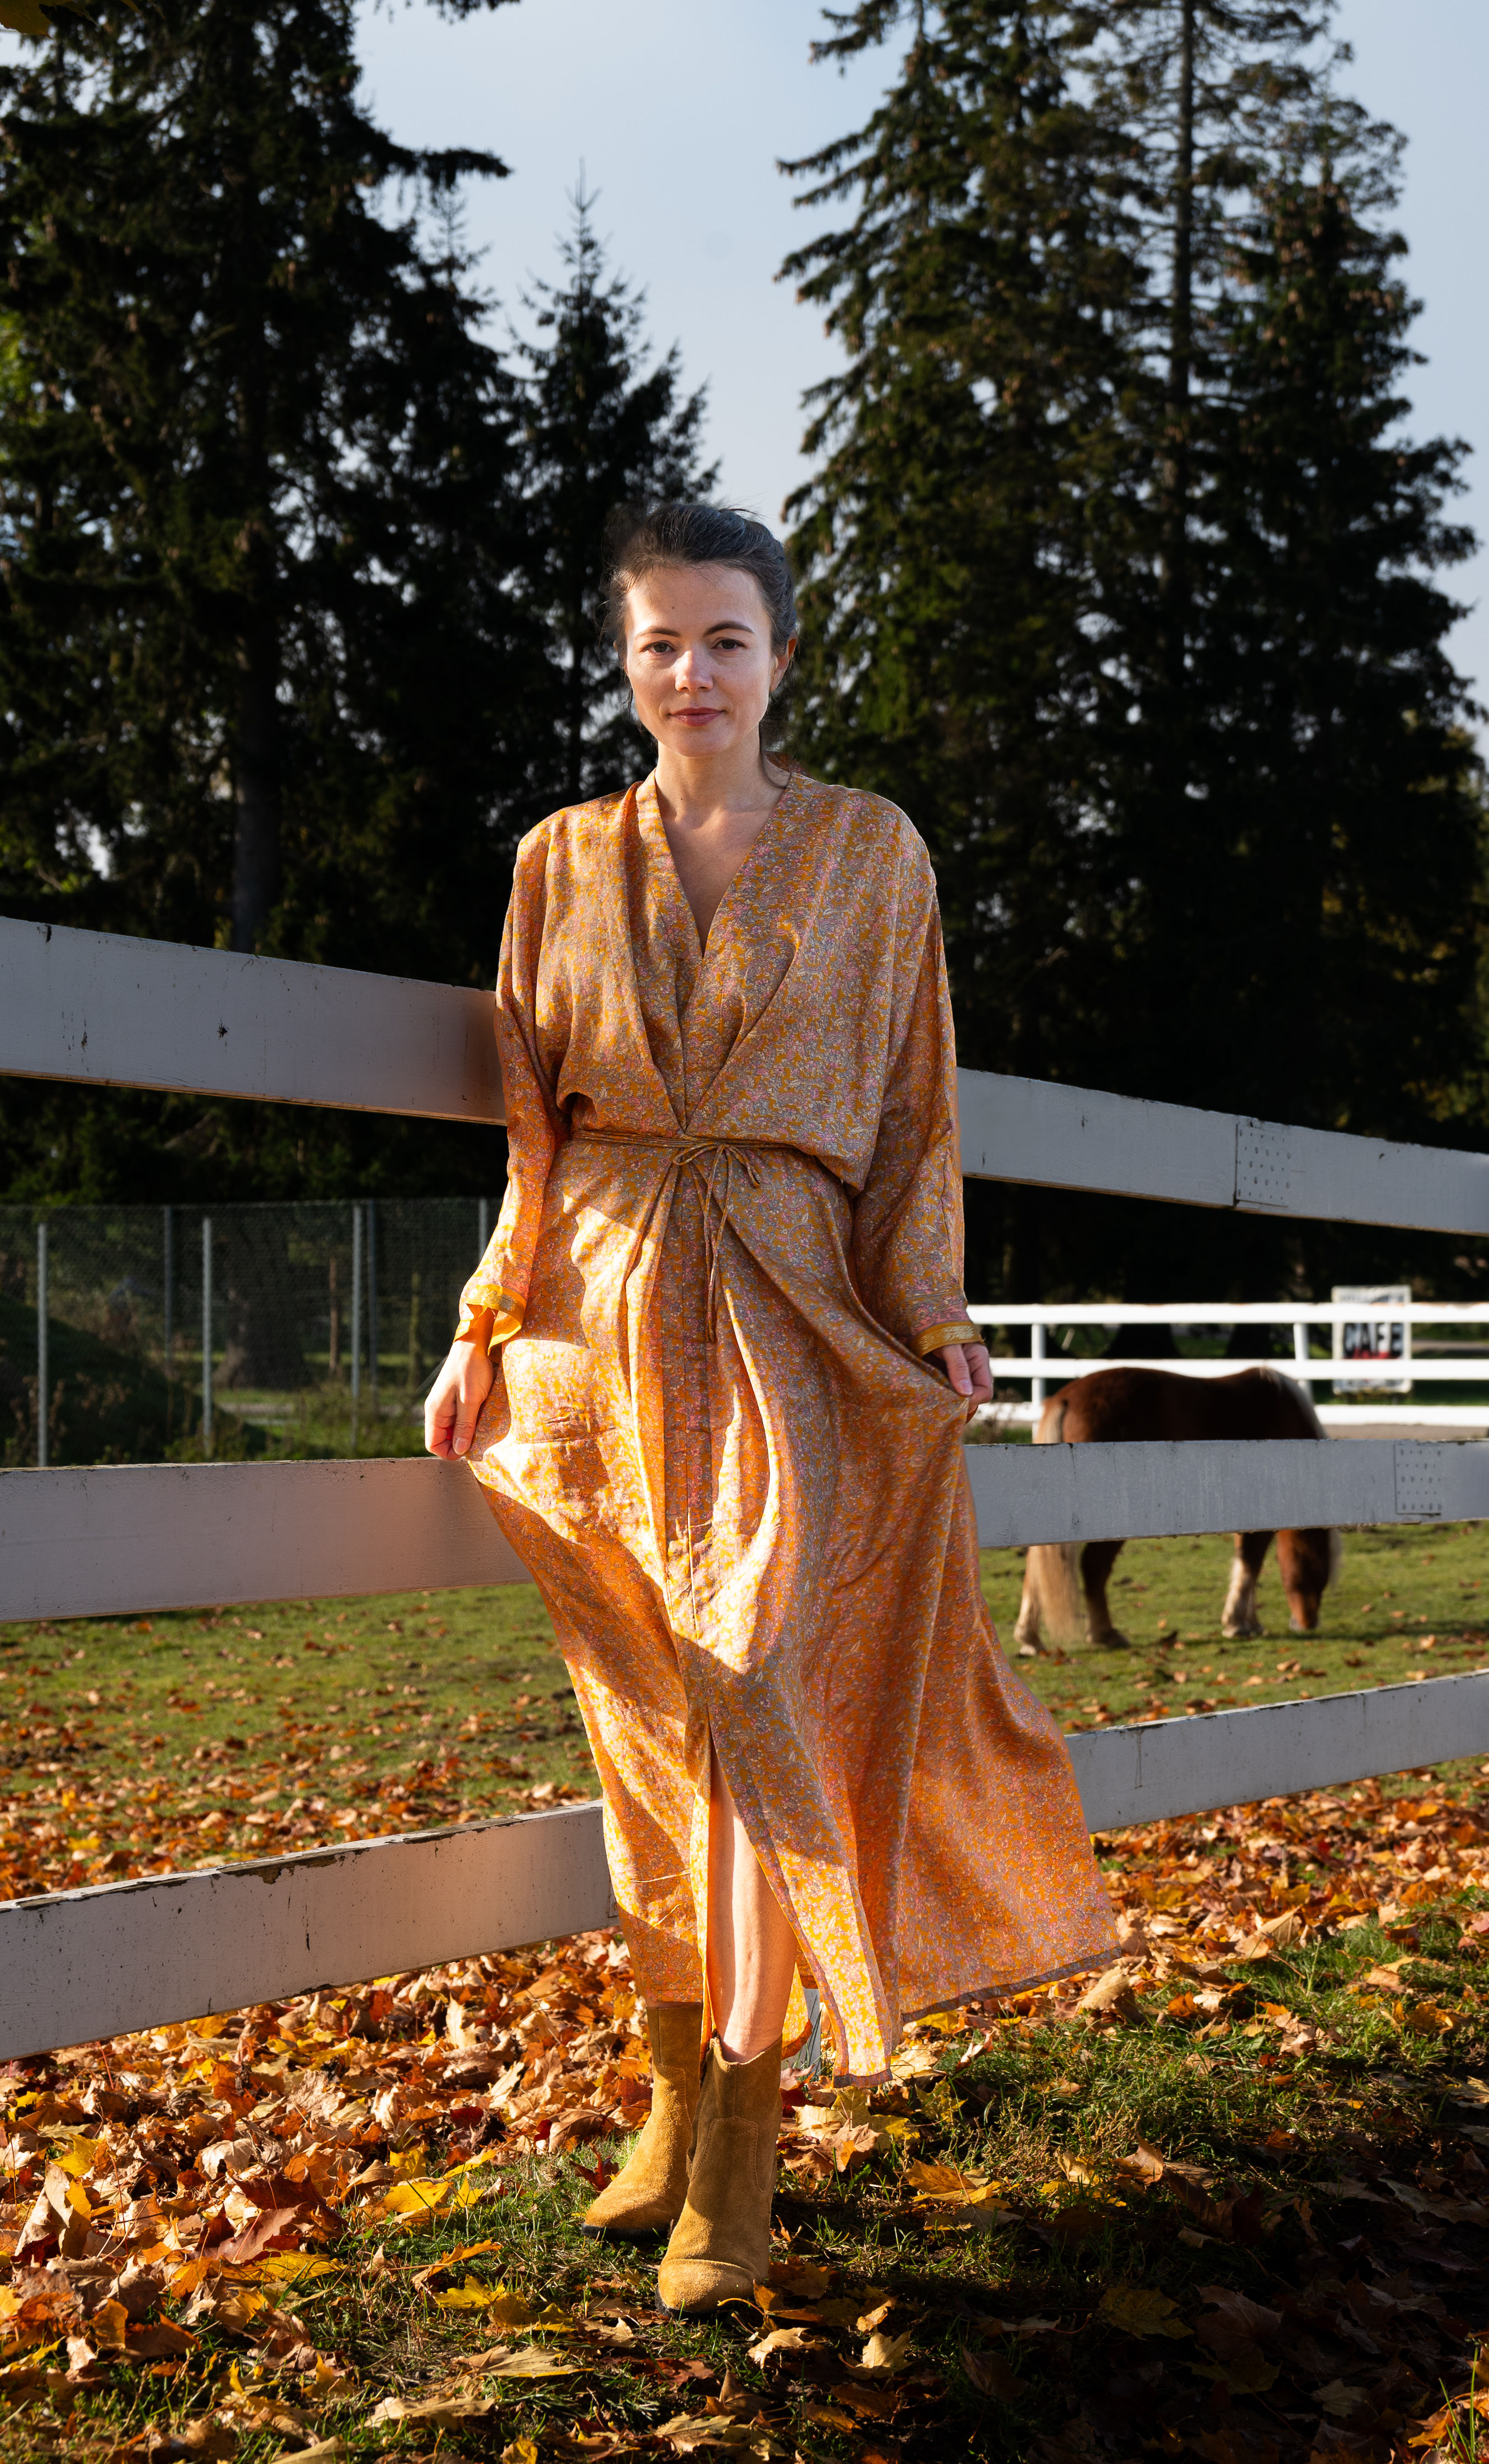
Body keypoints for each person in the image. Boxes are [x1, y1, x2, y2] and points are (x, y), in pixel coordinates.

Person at [424, 503, 1114, 2314]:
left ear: (783, 653)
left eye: (724, 638)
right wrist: (487, 1314)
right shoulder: (557, 861)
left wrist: (933, 1304)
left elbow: (913, 1113)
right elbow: (532, 1124)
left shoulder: (873, 854)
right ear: (626, 662)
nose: (691, 671)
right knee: (645, 1705)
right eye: (658, 642)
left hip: (790, 1314)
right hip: (588, 1317)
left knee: (748, 1679)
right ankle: (666, 2095)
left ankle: (746, 2122)